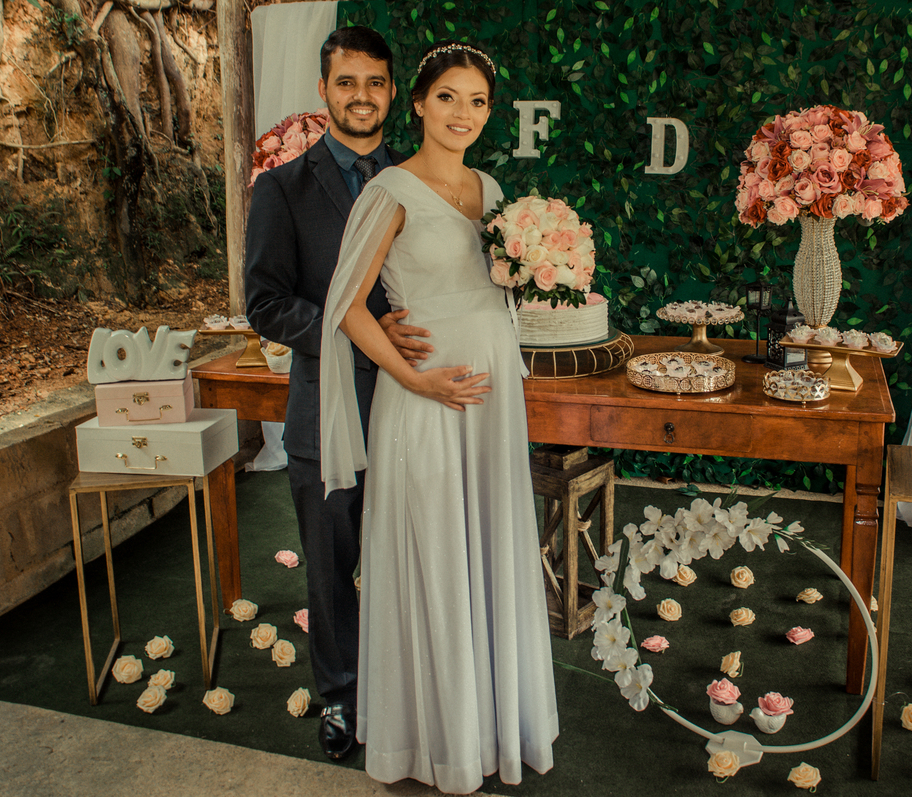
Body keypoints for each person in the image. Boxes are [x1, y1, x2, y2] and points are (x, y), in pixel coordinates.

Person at [320, 41, 559, 793]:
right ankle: (436, 740)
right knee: (435, 553)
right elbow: (348, 307)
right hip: (423, 402)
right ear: (418, 103)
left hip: (491, 405)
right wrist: (415, 378)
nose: (463, 113)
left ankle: (492, 727)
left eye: (478, 101)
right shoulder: (390, 190)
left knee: (487, 545)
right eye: (448, 97)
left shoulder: (492, 190)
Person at [243, 26, 432, 761]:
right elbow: (265, 303)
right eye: (346, 82)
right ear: (323, 89)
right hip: (326, 409)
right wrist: (359, 333)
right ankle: (342, 695)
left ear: (394, 92)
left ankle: (409, 687)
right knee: (330, 564)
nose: (361, 96)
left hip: (415, 408)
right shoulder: (282, 188)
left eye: (375, 82)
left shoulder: (420, 178)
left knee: (411, 556)